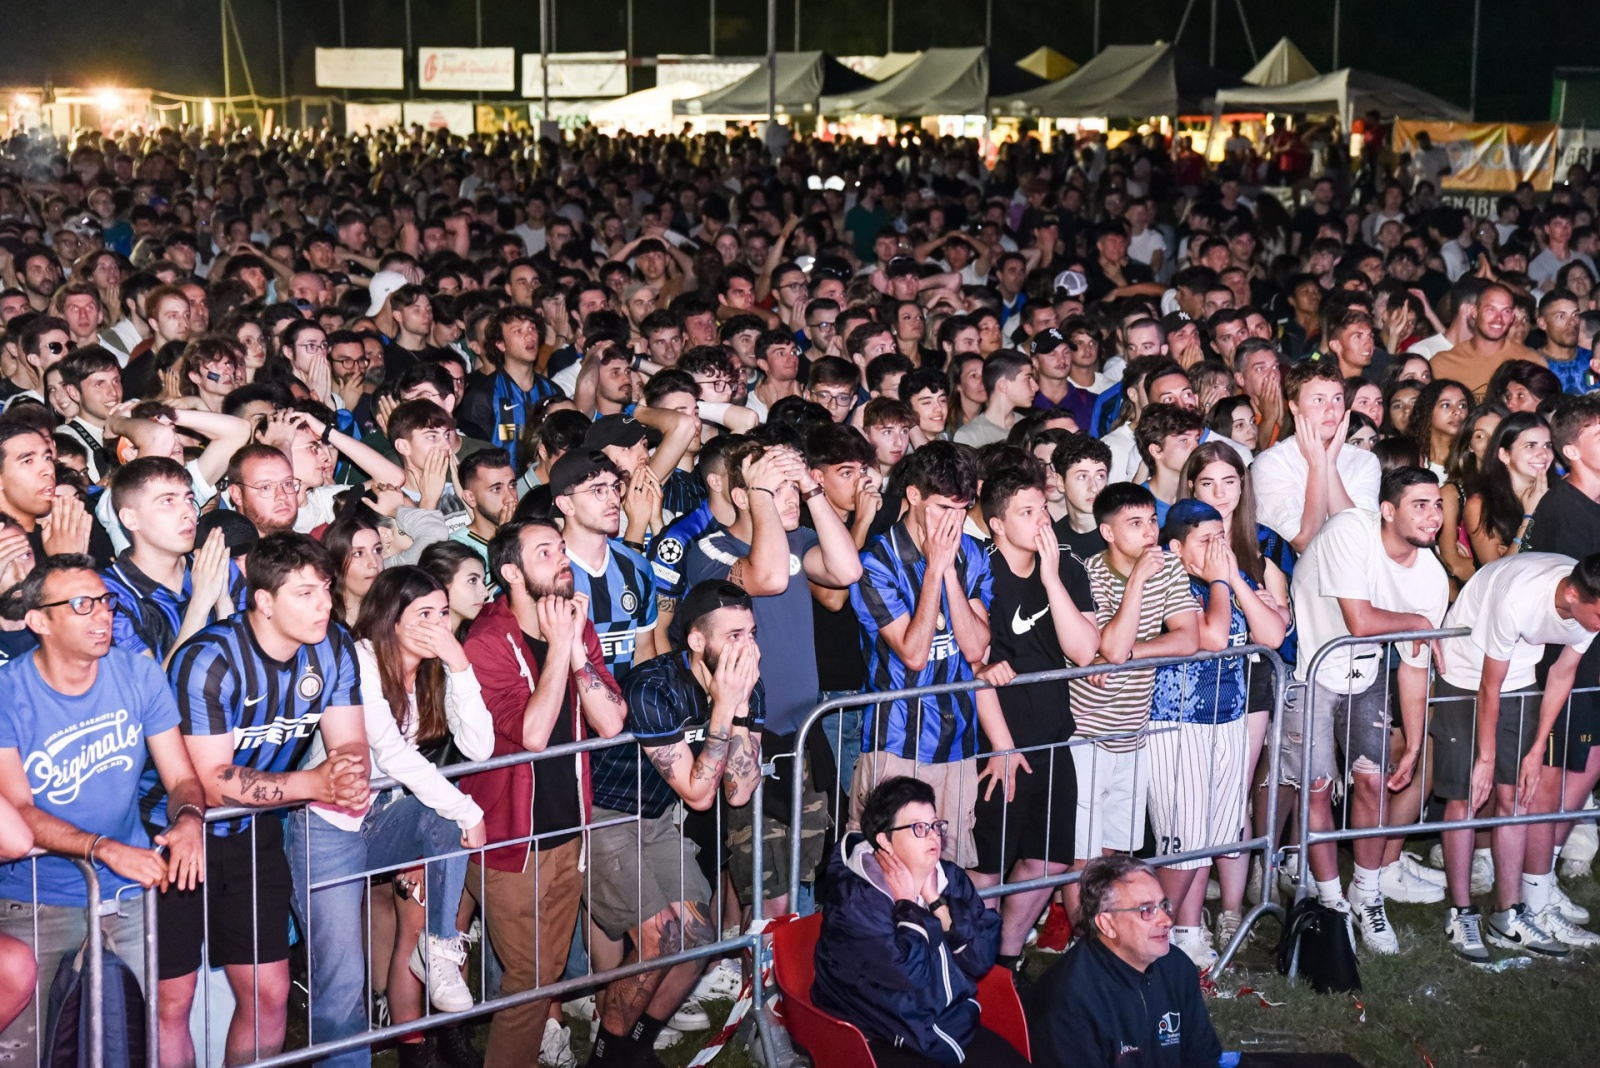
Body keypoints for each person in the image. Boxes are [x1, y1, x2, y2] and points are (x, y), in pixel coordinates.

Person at [159, 533, 370, 1067]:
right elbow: (212, 782)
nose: (324, 602)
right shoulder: (209, 659)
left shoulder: (335, 646)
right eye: (305, 593)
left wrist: (343, 774)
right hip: (176, 837)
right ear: (264, 601)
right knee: (173, 1000)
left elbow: (349, 746)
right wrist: (315, 784)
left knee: (271, 993)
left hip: (255, 833)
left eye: (325, 588)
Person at [0, 555, 207, 1066]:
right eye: (81, 604)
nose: (102, 615)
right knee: (36, 1050)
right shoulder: (8, 694)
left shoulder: (137, 673)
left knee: (134, 1043)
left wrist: (188, 821)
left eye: (106, 601)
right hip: (37, 897)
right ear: (39, 621)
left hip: (129, 893)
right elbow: (19, 811)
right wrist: (101, 849)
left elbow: (181, 777)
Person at [460, 519, 627, 1068]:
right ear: (510, 571)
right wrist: (560, 649)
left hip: (566, 832)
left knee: (543, 976)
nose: (562, 559)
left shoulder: (577, 626)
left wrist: (576, 651)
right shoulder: (486, 641)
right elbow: (530, 735)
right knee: (531, 981)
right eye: (545, 552)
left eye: (562, 548)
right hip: (510, 843)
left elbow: (609, 721)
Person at [582, 581, 763, 1065]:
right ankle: (606, 1056)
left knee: (698, 938)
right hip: (605, 813)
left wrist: (738, 710)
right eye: (735, 634)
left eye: (752, 632)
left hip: (659, 815)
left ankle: (636, 1049)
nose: (748, 647)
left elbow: (739, 790)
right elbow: (700, 795)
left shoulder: (744, 686)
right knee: (659, 938)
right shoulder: (653, 686)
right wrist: (724, 709)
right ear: (698, 640)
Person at [682, 437, 860, 913]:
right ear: (743, 496)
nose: (791, 497)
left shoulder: (798, 538)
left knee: (804, 871)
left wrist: (813, 491)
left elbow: (846, 570)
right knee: (766, 888)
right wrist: (766, 497)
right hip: (749, 738)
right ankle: (756, 982)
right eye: (775, 489)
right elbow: (770, 577)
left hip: (803, 731)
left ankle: (781, 976)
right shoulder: (709, 550)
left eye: (792, 488)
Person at [1281, 468, 1448, 954]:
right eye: (1419, 504)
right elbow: (1360, 620)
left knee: (1373, 780)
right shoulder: (1349, 531)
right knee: (1316, 789)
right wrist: (1417, 622)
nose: (1433, 515)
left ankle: (1367, 894)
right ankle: (1332, 902)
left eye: (1437, 504)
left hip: (1366, 672)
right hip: (1307, 670)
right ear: (1387, 510)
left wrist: (1415, 743)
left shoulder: (1431, 577)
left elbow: (1414, 667)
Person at [966, 463, 1099, 979]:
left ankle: (1006, 956)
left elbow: (1084, 650)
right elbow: (973, 665)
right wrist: (1001, 744)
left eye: (1044, 508)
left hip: (1052, 735)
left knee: (1049, 861)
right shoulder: (981, 570)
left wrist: (1048, 576)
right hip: (997, 741)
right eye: (1026, 512)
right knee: (988, 866)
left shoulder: (1064, 567)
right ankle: (975, 963)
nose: (1042, 520)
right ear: (997, 524)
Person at [1433, 552, 1600, 959]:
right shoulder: (1520, 598)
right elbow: (1490, 685)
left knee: (1515, 797)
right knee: (1466, 796)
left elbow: (1562, 673)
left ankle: (1508, 916)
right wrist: (1485, 758)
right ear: (1573, 595)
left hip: (1521, 678)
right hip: (1465, 670)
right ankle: (1461, 913)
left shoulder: (1588, 604)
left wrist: (1538, 746)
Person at [1147, 499, 1286, 968]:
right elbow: (1215, 637)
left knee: (1214, 829)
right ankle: (1171, 931)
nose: (1218, 549)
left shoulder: (1229, 578)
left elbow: (1272, 635)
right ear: (1176, 546)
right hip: (1176, 721)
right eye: (1206, 541)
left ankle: (1186, 930)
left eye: (1221, 538)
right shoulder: (1168, 581)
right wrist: (1222, 582)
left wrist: (1233, 581)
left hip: (1229, 717)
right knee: (1183, 841)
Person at [811, 776, 1029, 1068]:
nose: (933, 836)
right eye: (918, 828)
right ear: (884, 840)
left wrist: (936, 902)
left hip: (941, 1022)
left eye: (935, 825)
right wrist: (908, 906)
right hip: (878, 1029)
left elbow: (979, 959)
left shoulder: (948, 877)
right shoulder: (857, 901)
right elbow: (908, 976)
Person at [849, 443, 992, 869]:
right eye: (944, 508)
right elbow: (913, 653)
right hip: (897, 739)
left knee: (948, 869)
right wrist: (933, 570)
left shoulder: (973, 553)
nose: (955, 521)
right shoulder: (876, 561)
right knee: (888, 868)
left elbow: (976, 647)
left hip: (959, 740)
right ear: (913, 496)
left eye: (963, 510)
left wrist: (948, 570)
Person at [1063, 483, 1199, 917]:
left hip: (1132, 731)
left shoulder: (1169, 569)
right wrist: (1137, 581)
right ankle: (1081, 940)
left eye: (1152, 521)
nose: (1149, 533)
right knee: (1081, 856)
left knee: (1115, 852)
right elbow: (1112, 645)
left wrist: (1125, 654)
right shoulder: (1087, 573)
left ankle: (1109, 936)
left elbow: (1188, 638)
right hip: (1085, 732)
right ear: (1106, 531)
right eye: (1135, 524)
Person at [1028, 855, 1223, 1068]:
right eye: (1146, 910)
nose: (1167, 920)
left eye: (1163, 905)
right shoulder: (1069, 1002)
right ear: (1107, 924)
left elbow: (1203, 1058)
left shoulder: (1176, 966)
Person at [547, 449, 662, 682]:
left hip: (627, 711)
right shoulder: (547, 574)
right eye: (598, 490)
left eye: (615, 487)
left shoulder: (638, 568)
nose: (613, 500)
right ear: (566, 505)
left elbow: (644, 653)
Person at [1251, 361, 1382, 552]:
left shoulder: (1365, 460)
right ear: (1294, 407)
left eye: (1337, 399)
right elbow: (1305, 541)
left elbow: (1358, 538)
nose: (1331, 409)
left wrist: (1329, 466)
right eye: (1319, 400)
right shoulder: (1271, 463)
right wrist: (1317, 467)